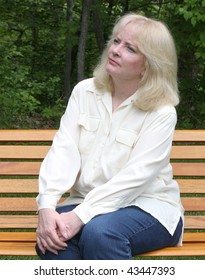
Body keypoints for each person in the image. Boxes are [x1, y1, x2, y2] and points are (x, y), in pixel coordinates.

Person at [35, 13, 184, 260]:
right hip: (85, 201)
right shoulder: (85, 91)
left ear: (149, 65)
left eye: (130, 49)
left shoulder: (161, 111)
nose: (115, 50)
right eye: (116, 42)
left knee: (101, 232)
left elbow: (135, 178)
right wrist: (47, 206)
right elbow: (64, 149)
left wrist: (81, 216)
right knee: (52, 240)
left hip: (148, 206)